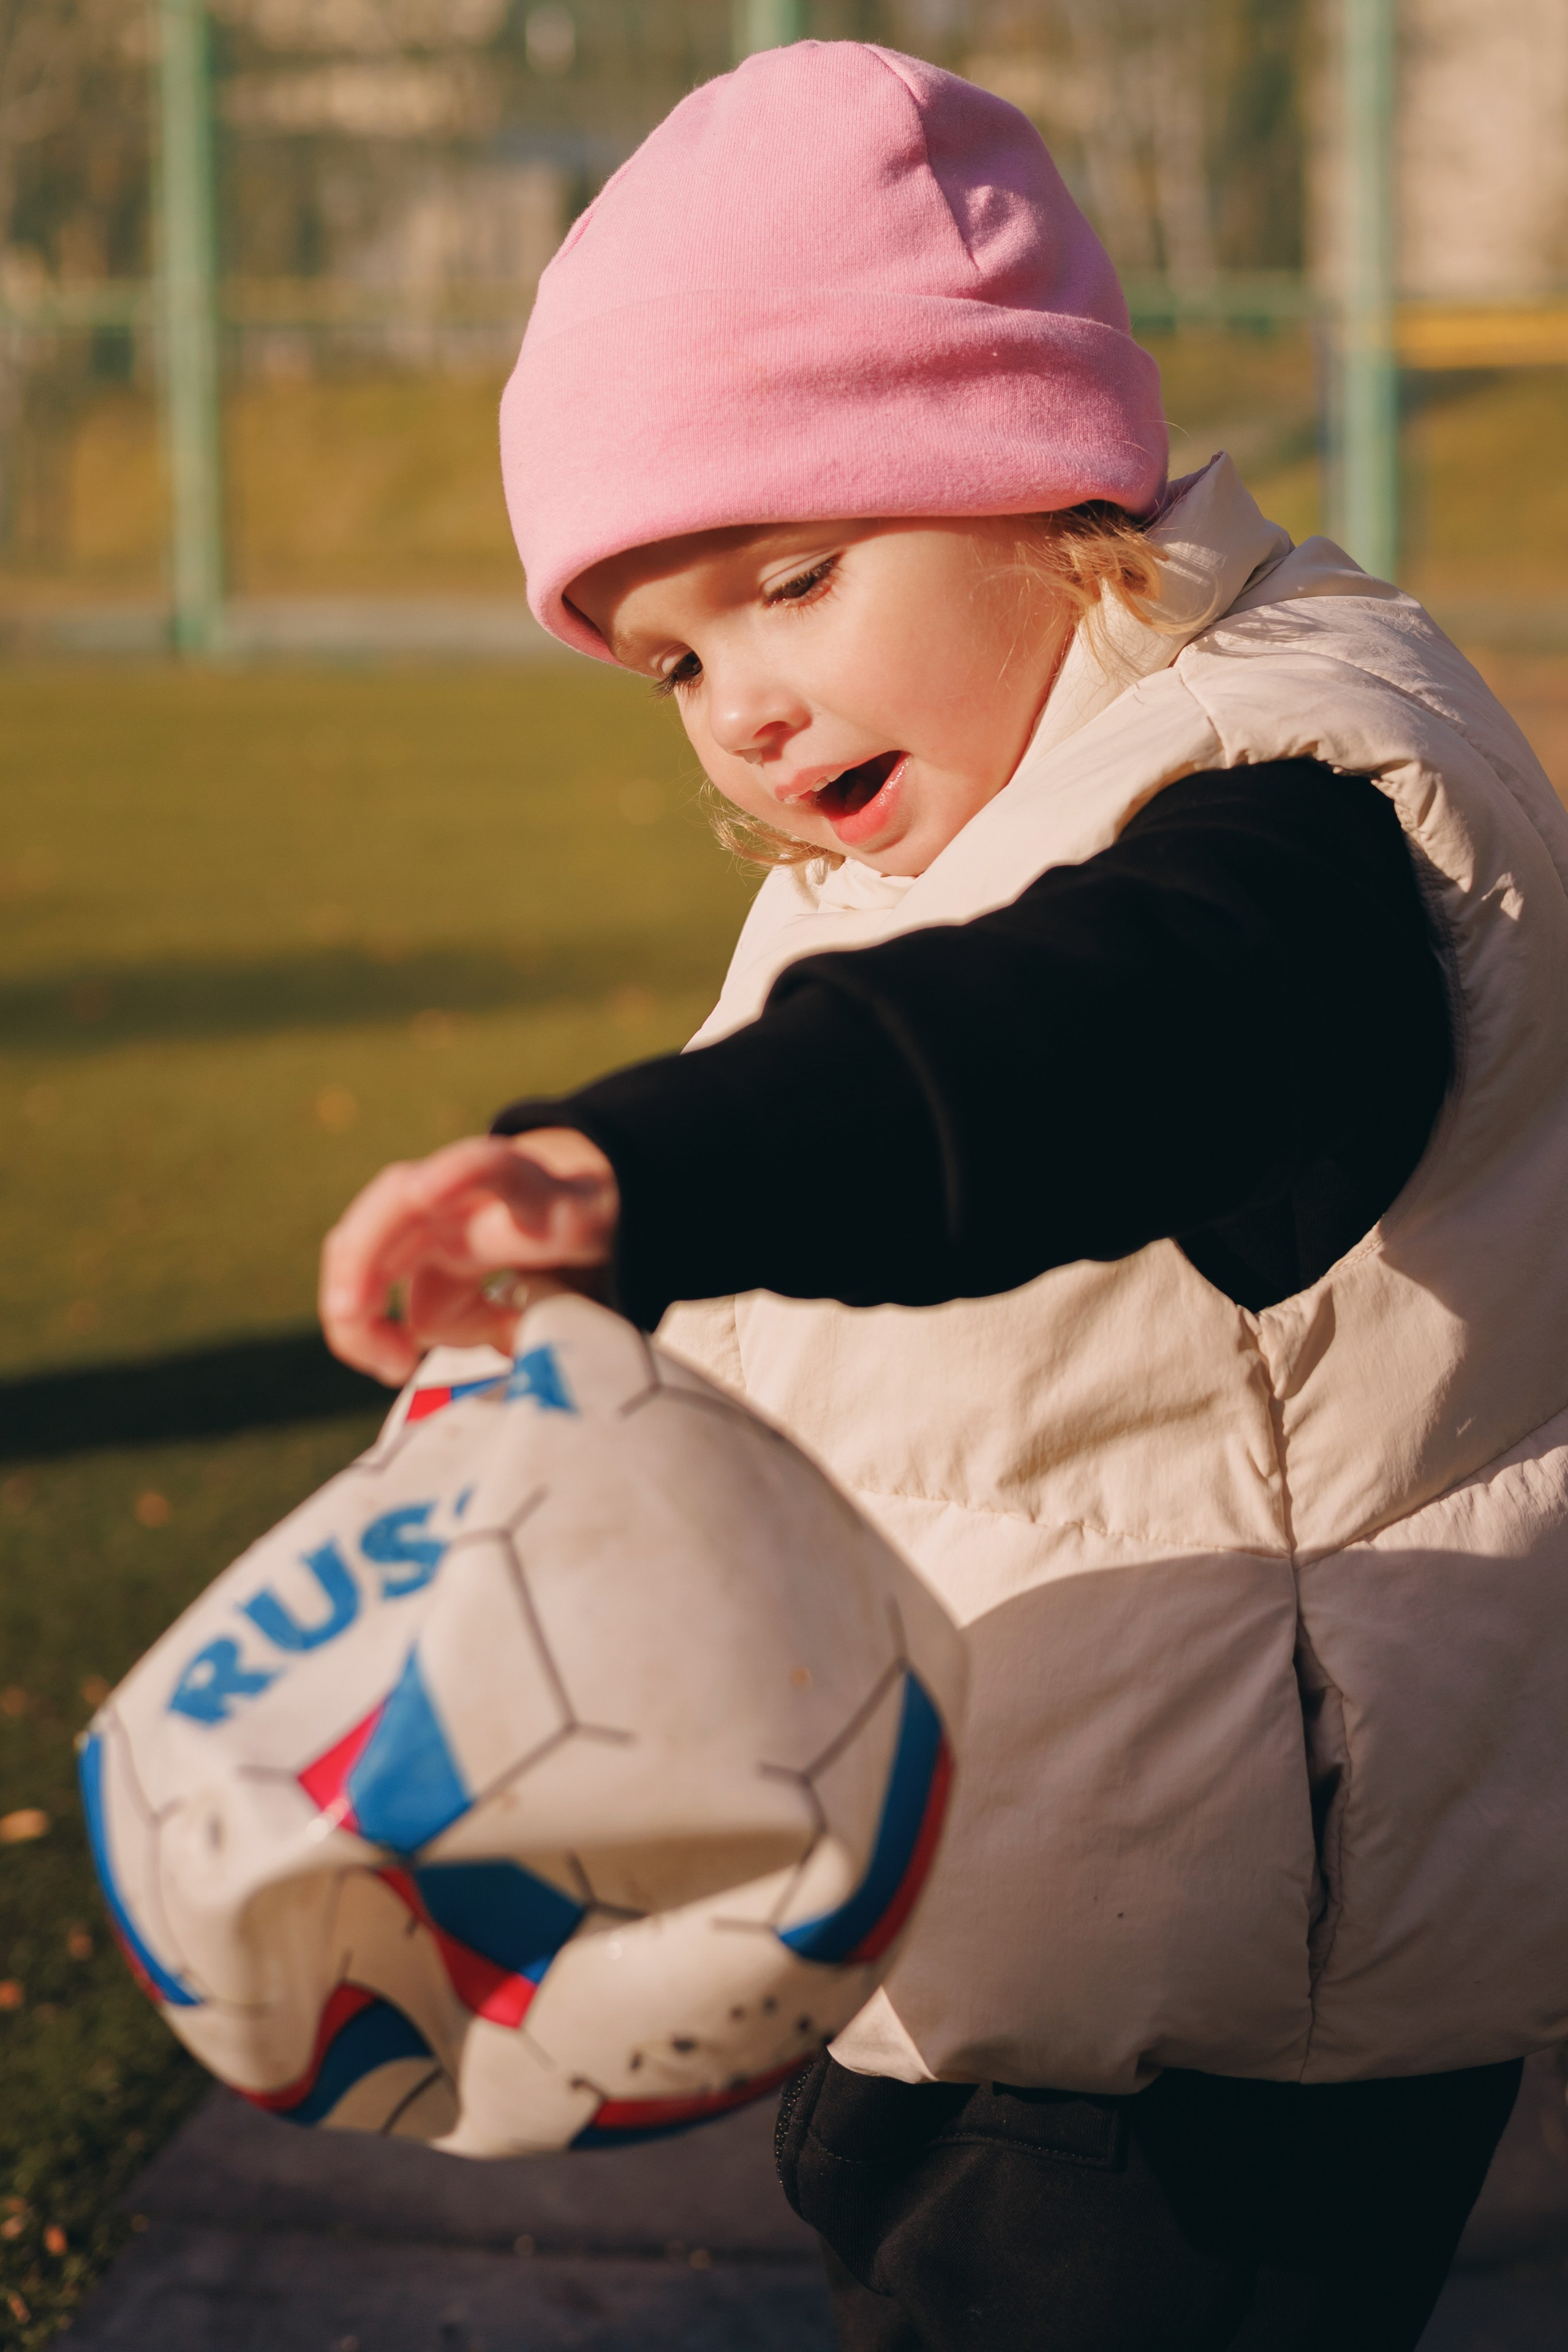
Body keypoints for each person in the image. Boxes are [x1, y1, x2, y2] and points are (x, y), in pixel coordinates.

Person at [318, 43, 1568, 2351]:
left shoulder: (1284, 809)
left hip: (1208, 2035)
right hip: (1004, 1924)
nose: (746, 707)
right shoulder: (932, 829)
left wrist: (633, 1171)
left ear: (1040, 482)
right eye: (677, 655)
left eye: (793, 580)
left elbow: (1067, 1058)